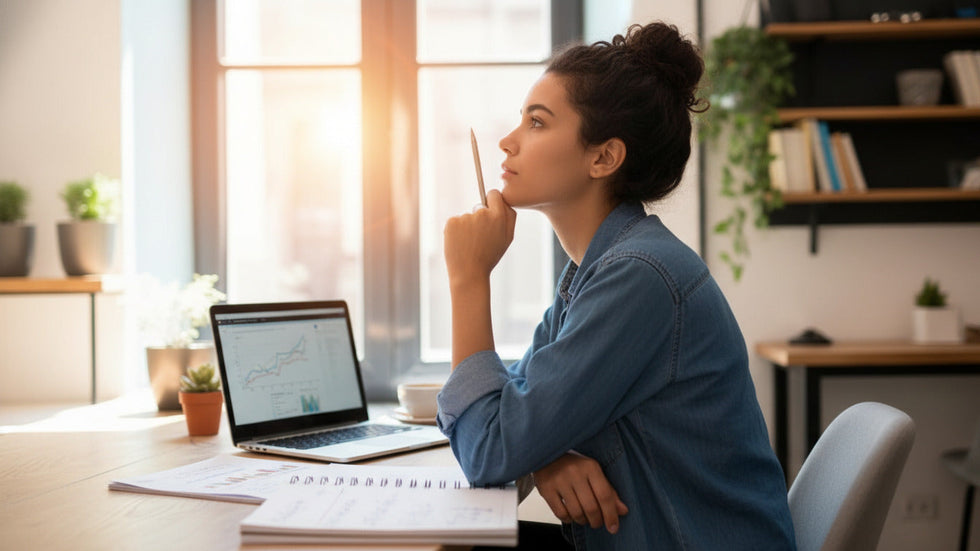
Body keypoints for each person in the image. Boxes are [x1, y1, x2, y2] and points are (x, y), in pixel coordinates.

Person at [437, 21, 796, 550]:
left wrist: (469, 279)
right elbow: (509, 413)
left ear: (603, 157)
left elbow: (489, 451)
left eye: (537, 123)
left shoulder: (639, 277)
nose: (507, 141)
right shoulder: (594, 272)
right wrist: (547, 456)